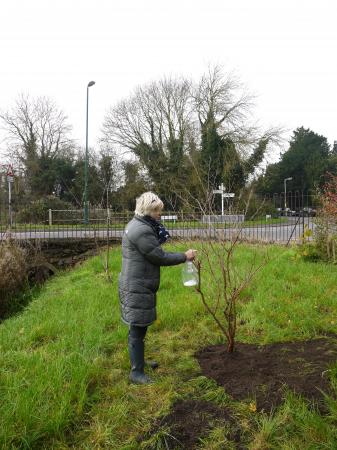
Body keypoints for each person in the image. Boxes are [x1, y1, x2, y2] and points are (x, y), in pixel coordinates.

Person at [118, 192, 196, 384]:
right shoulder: (142, 231)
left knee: (139, 326)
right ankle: (136, 373)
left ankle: (140, 362)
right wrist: (184, 256)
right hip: (137, 285)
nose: (159, 214)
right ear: (146, 210)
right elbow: (158, 257)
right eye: (156, 210)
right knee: (137, 327)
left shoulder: (138, 224)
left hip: (137, 283)